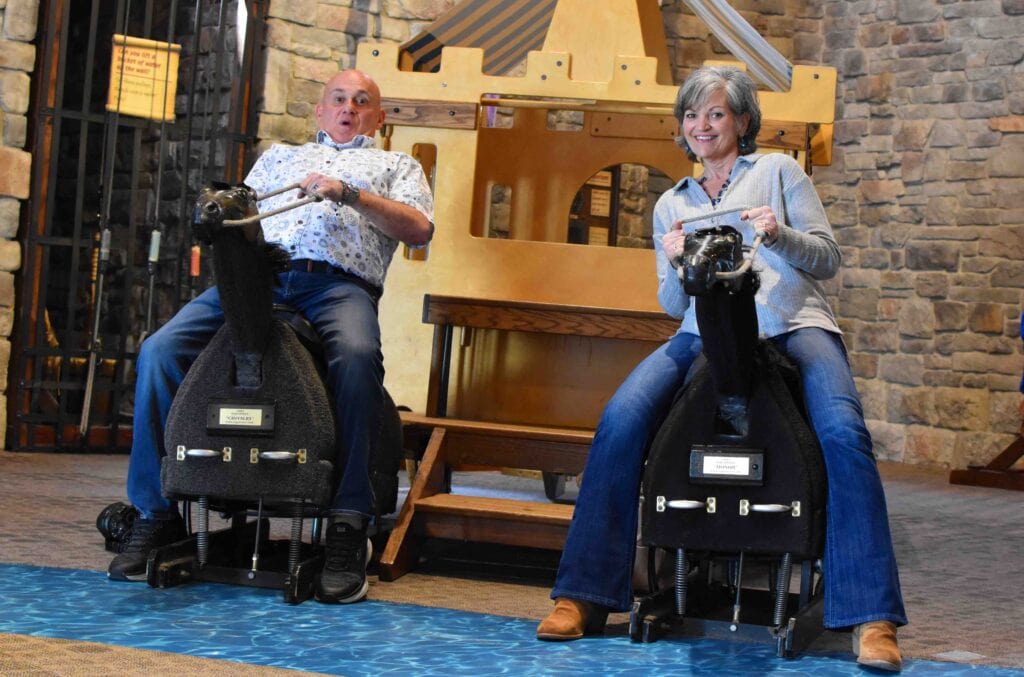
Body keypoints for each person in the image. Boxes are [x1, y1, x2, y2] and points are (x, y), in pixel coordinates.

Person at [536, 65, 907, 671]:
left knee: (844, 432)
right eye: (691, 115)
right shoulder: (671, 203)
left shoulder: (779, 172)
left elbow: (828, 258)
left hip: (793, 324)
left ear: (741, 121)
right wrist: (673, 261)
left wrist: (779, 235)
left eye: (715, 113)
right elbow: (672, 305)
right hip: (700, 330)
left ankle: (873, 617)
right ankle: (582, 595)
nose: (701, 125)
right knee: (620, 419)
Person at [107, 69, 435, 606]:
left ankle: (348, 520)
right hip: (262, 274)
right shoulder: (281, 157)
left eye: (361, 101)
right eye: (338, 99)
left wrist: (348, 193)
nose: (349, 108)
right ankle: (155, 514)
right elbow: (244, 217)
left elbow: (419, 230)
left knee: (357, 357)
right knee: (159, 350)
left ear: (378, 117)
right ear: (320, 110)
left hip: (336, 286)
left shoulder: (397, 165)